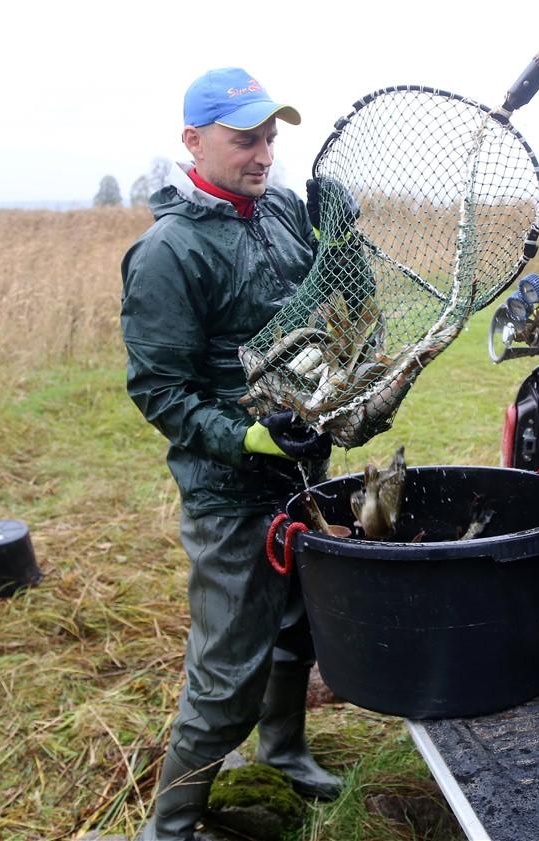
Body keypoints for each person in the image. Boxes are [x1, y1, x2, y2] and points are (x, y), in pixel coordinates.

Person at [121, 67, 342, 841]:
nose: (264, 155)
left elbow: (327, 309)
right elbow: (159, 391)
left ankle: (282, 750)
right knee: (223, 676)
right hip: (228, 493)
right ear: (193, 140)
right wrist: (247, 436)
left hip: (301, 473)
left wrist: (340, 241)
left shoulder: (278, 210)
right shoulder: (168, 251)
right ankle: (169, 826)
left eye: (270, 137)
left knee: (297, 629)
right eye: (245, 139)